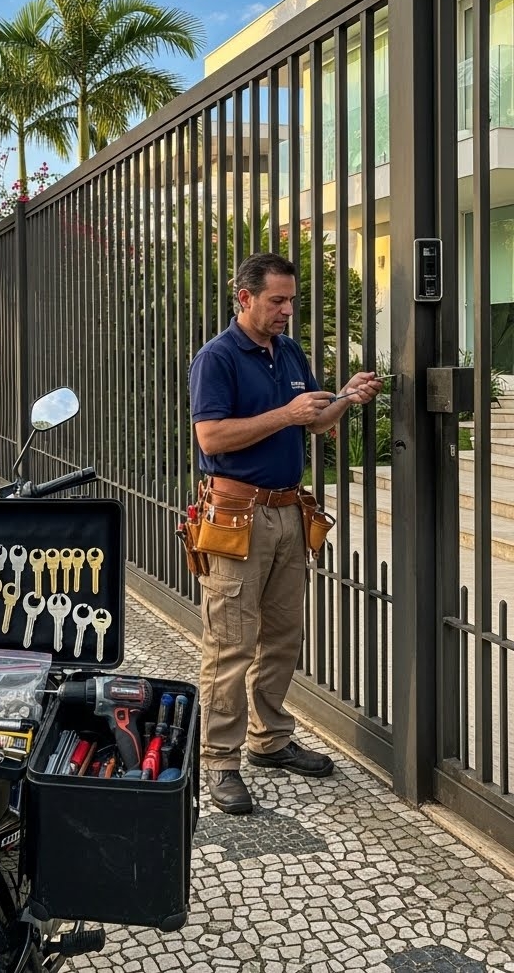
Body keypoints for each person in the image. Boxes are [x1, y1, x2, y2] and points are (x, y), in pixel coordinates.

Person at [188, 252, 382, 814]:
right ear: (244, 298)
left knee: (282, 637)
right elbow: (212, 439)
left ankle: (268, 740)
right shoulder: (217, 358)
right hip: (235, 515)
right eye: (276, 300)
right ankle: (219, 762)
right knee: (230, 643)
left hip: (288, 514)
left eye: (291, 300)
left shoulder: (289, 352)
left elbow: (314, 419)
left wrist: (343, 397)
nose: (287, 311)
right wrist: (286, 414)